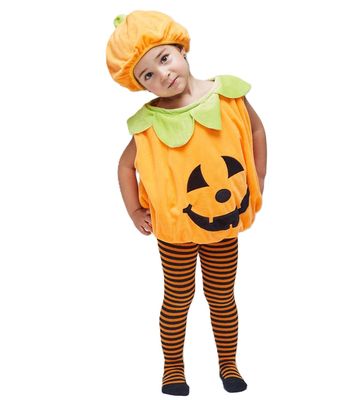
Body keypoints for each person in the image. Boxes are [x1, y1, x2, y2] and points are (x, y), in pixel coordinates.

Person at [106, 10, 267, 396]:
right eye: (148, 75)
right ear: (139, 85)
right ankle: (173, 367)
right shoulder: (149, 123)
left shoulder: (228, 96)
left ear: (181, 48)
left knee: (222, 296)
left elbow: (256, 130)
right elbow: (126, 165)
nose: (162, 75)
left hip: (223, 224)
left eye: (164, 58)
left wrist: (258, 177)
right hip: (175, 231)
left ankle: (228, 363)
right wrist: (135, 210)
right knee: (178, 298)